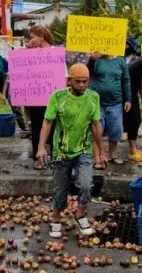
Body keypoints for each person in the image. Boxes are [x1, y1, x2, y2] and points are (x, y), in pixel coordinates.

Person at [38, 64, 106, 239]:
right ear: (70, 81)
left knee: (85, 184)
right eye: (78, 82)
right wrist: (41, 147)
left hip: (84, 149)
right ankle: (56, 217)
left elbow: (96, 125)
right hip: (61, 151)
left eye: (85, 82)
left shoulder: (93, 97)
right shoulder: (58, 97)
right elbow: (47, 123)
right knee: (60, 188)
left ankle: (81, 214)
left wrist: (100, 151)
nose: (82, 85)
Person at [87, 51, 130, 169]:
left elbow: (126, 80)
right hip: (97, 103)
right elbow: (87, 74)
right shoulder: (96, 59)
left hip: (115, 102)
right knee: (97, 130)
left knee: (116, 130)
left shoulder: (121, 61)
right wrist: (92, 60)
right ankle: (97, 157)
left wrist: (128, 99)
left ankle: (112, 155)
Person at [22, 25, 56, 170]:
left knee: (54, 129)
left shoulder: (56, 52)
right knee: (36, 128)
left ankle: (55, 157)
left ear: (41, 37)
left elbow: (63, 75)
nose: (31, 40)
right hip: (36, 98)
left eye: (33, 37)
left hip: (53, 98)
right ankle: (38, 157)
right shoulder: (31, 54)